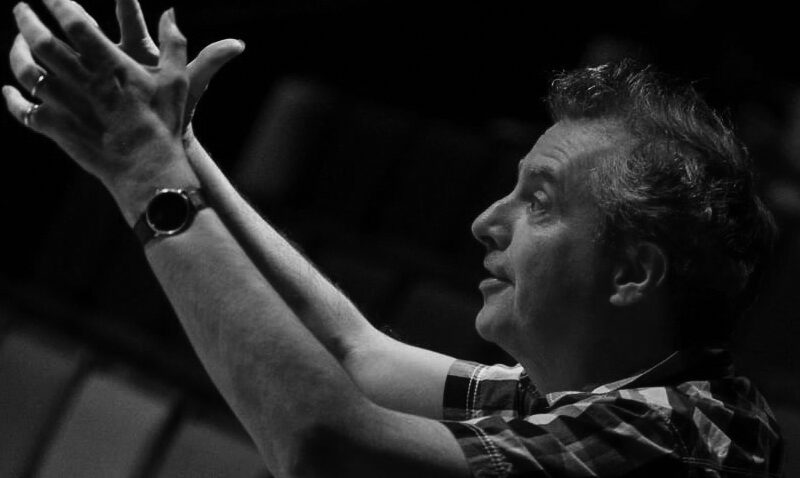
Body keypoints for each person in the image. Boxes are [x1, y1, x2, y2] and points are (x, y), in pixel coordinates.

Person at [4, 0, 783, 476]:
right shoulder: (593, 390)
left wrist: (146, 173)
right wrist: (173, 149)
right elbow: (355, 353)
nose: (487, 222)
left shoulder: (680, 438)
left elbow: (326, 447)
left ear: (632, 274)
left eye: (538, 203)